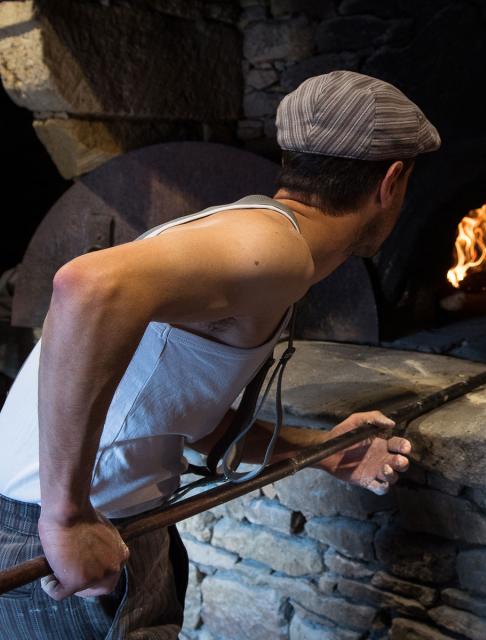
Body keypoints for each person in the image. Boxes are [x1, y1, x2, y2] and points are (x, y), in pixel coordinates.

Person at [0, 70, 441, 638]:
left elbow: (183, 417)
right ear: (392, 181)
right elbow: (88, 286)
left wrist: (321, 449)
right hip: (57, 531)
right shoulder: (272, 247)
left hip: (110, 523)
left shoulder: (263, 239)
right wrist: (66, 517)